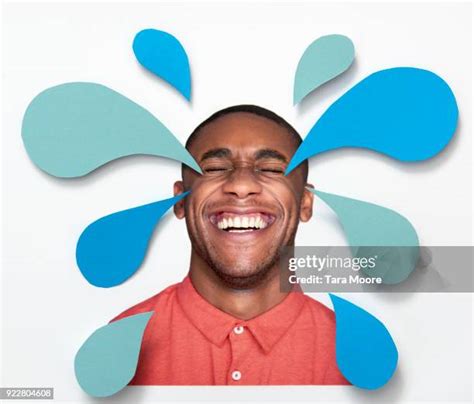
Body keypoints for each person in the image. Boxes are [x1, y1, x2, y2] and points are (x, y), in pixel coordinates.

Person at [112, 105, 349, 386]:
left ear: (305, 204)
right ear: (180, 201)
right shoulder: (121, 344)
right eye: (214, 168)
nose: (241, 185)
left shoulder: (355, 354)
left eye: (272, 169)